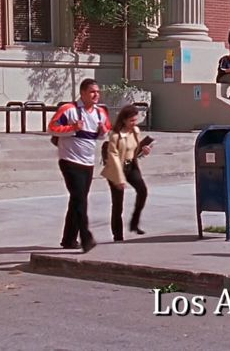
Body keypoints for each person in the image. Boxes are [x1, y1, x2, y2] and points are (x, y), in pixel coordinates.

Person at [48, 78, 111, 253]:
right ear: (83, 93)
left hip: (87, 162)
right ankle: (85, 237)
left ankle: (68, 239)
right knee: (80, 199)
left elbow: (104, 133)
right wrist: (72, 128)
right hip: (69, 160)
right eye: (92, 91)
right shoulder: (68, 110)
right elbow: (51, 128)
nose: (96, 95)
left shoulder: (100, 113)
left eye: (98, 92)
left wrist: (102, 132)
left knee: (77, 200)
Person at [101, 105, 152, 241]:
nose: (134, 123)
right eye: (131, 121)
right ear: (124, 120)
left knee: (143, 191)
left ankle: (134, 223)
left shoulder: (135, 131)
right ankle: (118, 235)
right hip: (116, 168)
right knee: (118, 203)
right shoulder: (115, 134)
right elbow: (113, 156)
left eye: (136, 120)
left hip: (131, 166)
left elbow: (134, 150)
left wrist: (144, 150)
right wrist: (119, 179)